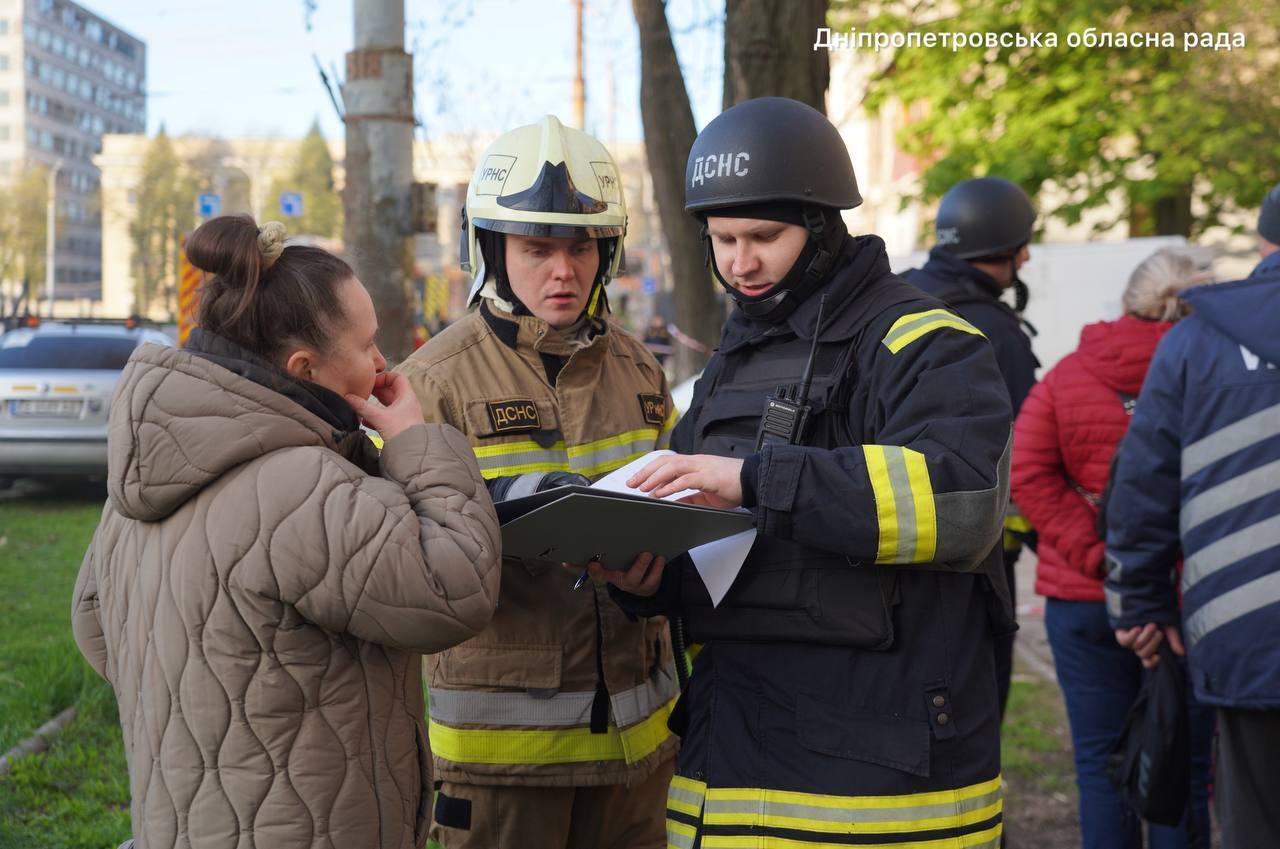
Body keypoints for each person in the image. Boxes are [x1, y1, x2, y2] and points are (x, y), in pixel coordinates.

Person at [590, 96, 1014, 849]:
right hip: (732, 777)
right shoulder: (735, 357)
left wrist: (757, 480)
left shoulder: (925, 342)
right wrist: (651, 577)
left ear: (821, 227)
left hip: (880, 792)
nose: (740, 263)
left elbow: (961, 503)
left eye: (764, 236)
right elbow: (733, 557)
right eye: (723, 239)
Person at [70, 215, 501, 849]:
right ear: (306, 369)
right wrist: (415, 442)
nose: (381, 363)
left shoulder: (148, 476)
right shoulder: (299, 485)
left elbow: (93, 622)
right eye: (366, 346)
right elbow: (454, 587)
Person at [395, 115, 679, 849]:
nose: (564, 270)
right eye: (537, 248)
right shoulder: (431, 383)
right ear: (490, 248)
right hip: (504, 766)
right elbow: (397, 561)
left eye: (581, 246)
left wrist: (661, 571)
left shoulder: (641, 371)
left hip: (639, 750)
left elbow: (683, 517)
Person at [1011, 247, 1216, 849]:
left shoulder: (1069, 374)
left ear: (1129, 299)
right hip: (1186, 603)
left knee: (1101, 765)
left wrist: (1102, 559)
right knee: (1186, 766)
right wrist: (1150, 574)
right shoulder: (1215, 374)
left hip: (1084, 600)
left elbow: (1028, 473)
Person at [1105, 186, 1280, 849]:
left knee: (1255, 822)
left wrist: (1139, 606)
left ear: (1264, 243)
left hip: (1244, 630)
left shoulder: (1195, 343)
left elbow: (1144, 485)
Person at [903, 176, 1040, 719]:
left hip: (885, 540)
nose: (1026, 257)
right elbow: (1025, 447)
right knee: (975, 700)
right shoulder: (995, 331)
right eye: (1021, 245)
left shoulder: (895, 300)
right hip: (976, 557)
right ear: (1000, 247)